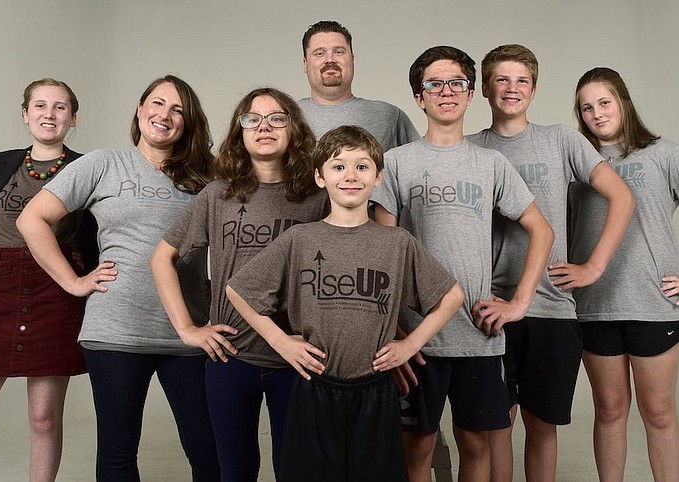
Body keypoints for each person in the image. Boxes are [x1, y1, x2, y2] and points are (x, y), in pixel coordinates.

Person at [225, 125, 465, 481]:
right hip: (314, 387)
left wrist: (412, 343)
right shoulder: (301, 239)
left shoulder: (396, 242)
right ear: (320, 178)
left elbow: (452, 296)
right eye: (338, 167)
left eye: (362, 167)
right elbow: (238, 289)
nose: (350, 176)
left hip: (376, 389)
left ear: (378, 178)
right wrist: (280, 341)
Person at [16, 75, 220, 481]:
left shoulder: (209, 177)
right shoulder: (103, 164)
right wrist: (74, 282)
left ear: (189, 122)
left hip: (190, 330)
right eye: (157, 104)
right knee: (118, 450)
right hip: (116, 330)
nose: (165, 115)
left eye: (177, 109)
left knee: (208, 446)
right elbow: (32, 219)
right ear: (140, 110)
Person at [371, 46, 554, 482]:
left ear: (471, 94)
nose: (447, 91)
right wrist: (395, 327)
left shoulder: (491, 163)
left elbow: (542, 231)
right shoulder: (397, 163)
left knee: (475, 443)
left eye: (457, 83)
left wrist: (518, 303)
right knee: (418, 447)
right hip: (416, 339)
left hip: (478, 333)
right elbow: (382, 248)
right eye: (435, 84)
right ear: (420, 97)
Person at [466, 45, 635, 482]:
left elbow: (622, 196)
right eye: (501, 79)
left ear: (535, 89)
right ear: (485, 88)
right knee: (496, 425)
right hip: (489, 306)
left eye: (521, 80)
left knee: (542, 424)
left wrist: (593, 268)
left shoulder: (561, 139)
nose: (512, 88)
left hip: (551, 307)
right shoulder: (469, 148)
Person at [151, 87, 329, 481]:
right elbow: (163, 256)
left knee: (296, 469)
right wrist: (187, 328)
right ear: (239, 132)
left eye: (277, 117)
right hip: (231, 356)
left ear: (294, 128)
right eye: (252, 119)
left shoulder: (319, 197)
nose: (264, 126)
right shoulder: (218, 195)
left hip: (298, 357)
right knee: (235, 470)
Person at [571, 67, 679, 482]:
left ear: (623, 102)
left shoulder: (662, 154)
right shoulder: (577, 164)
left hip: (655, 305)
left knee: (658, 413)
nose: (596, 114)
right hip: (593, 306)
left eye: (604, 103)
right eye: (587, 108)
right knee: (609, 412)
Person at [0, 78, 97, 481]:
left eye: (60, 107)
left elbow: (100, 232)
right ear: (25, 114)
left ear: (73, 117)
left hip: (54, 292)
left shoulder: (88, 167)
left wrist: (84, 272)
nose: (50, 114)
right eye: (41, 106)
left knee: (44, 419)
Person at [299, 20, 420, 151]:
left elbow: (420, 163)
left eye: (338, 52)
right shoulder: (286, 116)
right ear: (305, 64)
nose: (330, 59)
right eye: (319, 53)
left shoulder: (388, 116)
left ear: (352, 59)